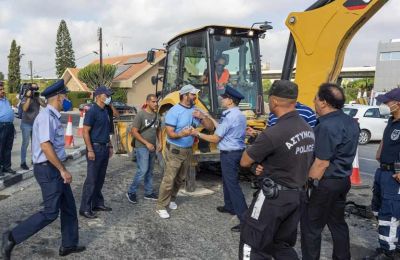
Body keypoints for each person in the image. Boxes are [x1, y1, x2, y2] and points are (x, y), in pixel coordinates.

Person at [0, 80, 85, 259]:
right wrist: (63, 170)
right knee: (50, 212)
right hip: (48, 169)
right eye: (66, 96)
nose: (67, 99)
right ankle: (11, 237)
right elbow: (46, 146)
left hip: (53, 167)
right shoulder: (46, 116)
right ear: (59, 97)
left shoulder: (53, 116)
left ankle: (69, 244)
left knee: (68, 207)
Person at [239, 80, 315, 259]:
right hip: (296, 196)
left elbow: (244, 161)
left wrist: (257, 155)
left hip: (273, 197)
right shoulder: (307, 129)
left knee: (252, 242)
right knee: (281, 245)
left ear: (273, 101)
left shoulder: (274, 132)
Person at [301, 83, 359, 260]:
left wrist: (307, 185)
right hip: (342, 181)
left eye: (316, 98)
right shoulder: (350, 121)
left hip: (325, 182)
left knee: (311, 227)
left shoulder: (327, 126)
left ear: (324, 102)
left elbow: (321, 163)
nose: (314, 101)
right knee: (337, 224)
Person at [191, 85, 247, 232]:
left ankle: (245, 219)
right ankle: (229, 206)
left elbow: (215, 138)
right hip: (235, 152)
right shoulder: (238, 114)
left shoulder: (230, 116)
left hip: (230, 154)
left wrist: (196, 134)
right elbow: (220, 126)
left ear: (230, 101)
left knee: (233, 185)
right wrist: (207, 117)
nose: (222, 99)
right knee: (227, 181)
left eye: (225, 98)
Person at [156, 84, 214, 219]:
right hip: (175, 150)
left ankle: (171, 199)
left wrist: (203, 117)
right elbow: (170, 134)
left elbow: (210, 127)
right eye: (193, 94)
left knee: (180, 178)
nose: (195, 96)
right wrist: (182, 134)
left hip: (188, 150)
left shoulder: (196, 109)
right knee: (169, 178)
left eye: (195, 94)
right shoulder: (174, 111)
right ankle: (160, 206)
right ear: (185, 95)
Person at [364, 88, 400, 260]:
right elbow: (387, 142)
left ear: (397, 103)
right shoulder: (392, 120)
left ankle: (389, 251)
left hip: (395, 174)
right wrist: (380, 152)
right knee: (379, 209)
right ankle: (390, 244)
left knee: (390, 213)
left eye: (387, 102)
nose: (384, 105)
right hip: (383, 172)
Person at [80, 86, 113, 219]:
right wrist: (90, 149)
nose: (109, 97)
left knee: (100, 179)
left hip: (104, 148)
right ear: (99, 96)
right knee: (92, 180)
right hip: (95, 148)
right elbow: (85, 131)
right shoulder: (92, 111)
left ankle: (97, 203)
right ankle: (85, 208)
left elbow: (106, 130)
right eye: (107, 95)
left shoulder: (105, 111)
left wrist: (110, 146)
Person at [126, 94, 161, 204]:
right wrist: (146, 143)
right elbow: (134, 131)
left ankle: (148, 192)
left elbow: (158, 129)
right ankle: (131, 191)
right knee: (143, 170)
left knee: (150, 170)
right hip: (142, 146)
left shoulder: (157, 115)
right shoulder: (141, 115)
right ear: (147, 102)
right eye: (153, 102)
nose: (156, 104)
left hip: (152, 146)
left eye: (156, 102)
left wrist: (159, 142)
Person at [20, 83, 46, 170]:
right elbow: (24, 109)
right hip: (26, 124)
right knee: (25, 143)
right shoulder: (24, 98)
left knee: (35, 144)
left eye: (35, 89)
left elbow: (44, 105)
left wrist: (37, 97)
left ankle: (34, 159)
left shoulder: (36, 97)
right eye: (32, 90)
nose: (34, 91)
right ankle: (23, 162)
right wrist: (29, 97)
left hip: (35, 124)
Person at [0, 81, 16, 176]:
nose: (2, 91)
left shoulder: (5, 99)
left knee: (8, 148)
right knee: (0, 148)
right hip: (1, 126)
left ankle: (7, 167)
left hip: (9, 126)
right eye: (0, 90)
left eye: (2, 89)